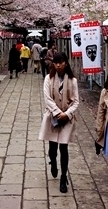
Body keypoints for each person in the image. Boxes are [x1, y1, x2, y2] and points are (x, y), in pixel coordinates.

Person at [38, 52, 79, 194]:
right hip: (53, 116)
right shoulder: (48, 79)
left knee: (64, 147)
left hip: (66, 117)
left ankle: (63, 177)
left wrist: (66, 114)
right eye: (56, 62)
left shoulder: (72, 81)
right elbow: (47, 98)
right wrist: (57, 112)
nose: (58, 65)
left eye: (61, 62)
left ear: (66, 63)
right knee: (53, 147)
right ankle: (53, 161)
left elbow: (75, 101)